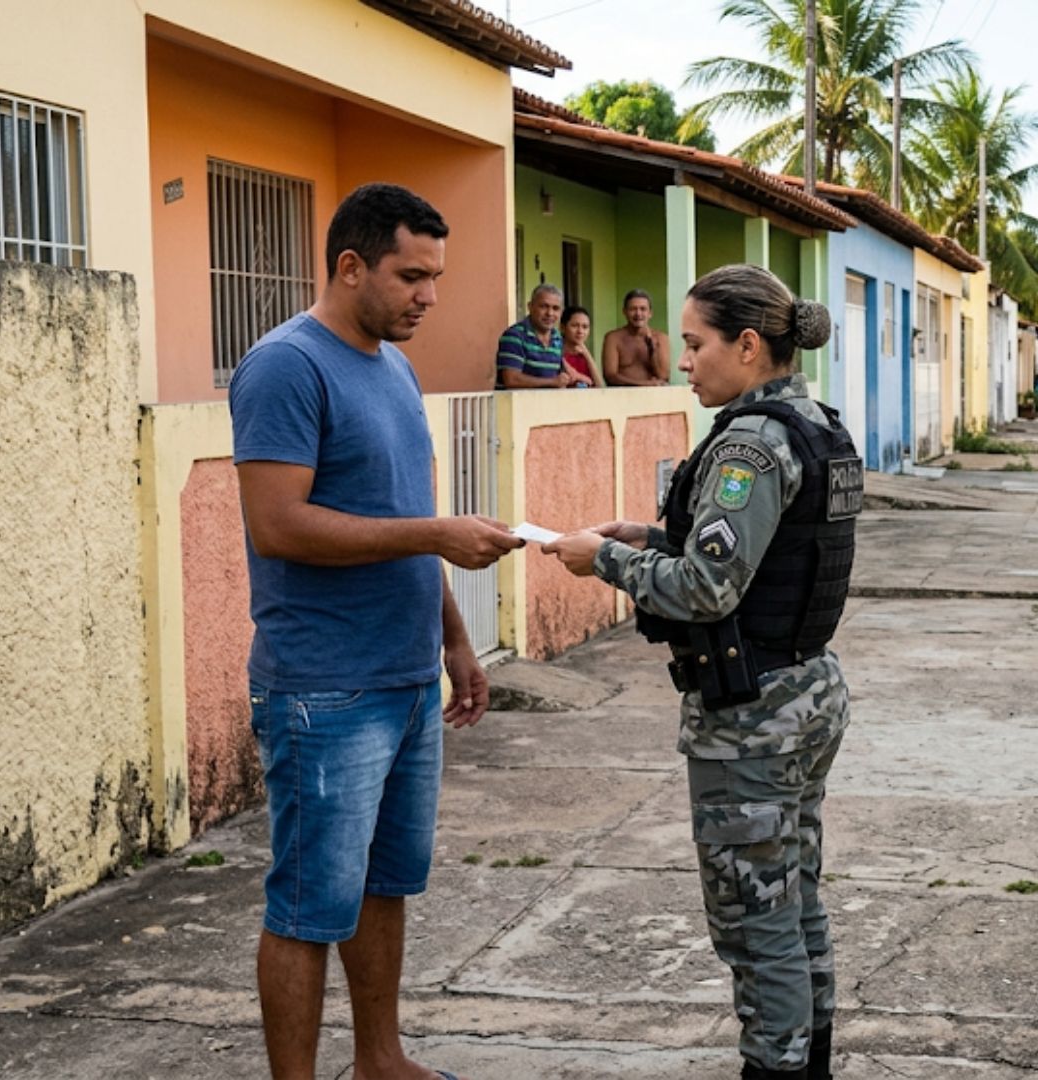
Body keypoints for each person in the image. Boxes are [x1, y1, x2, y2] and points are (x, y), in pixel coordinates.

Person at [228, 182, 524, 1080]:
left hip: (403, 678)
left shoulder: (393, 365)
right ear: (350, 265)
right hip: (323, 688)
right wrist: (438, 535)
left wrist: (453, 641)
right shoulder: (286, 366)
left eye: (435, 276)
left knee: (386, 884)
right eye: (411, 275)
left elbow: (403, 509)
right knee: (309, 904)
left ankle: (380, 1059)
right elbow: (279, 523)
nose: (428, 296)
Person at [542, 264, 859, 1080]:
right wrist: (649, 536)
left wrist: (603, 559)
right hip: (802, 693)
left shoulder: (751, 444)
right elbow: (759, 552)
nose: (683, 361)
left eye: (695, 344)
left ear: (748, 346)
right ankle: (808, 1060)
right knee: (792, 900)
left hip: (755, 717)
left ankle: (776, 1066)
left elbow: (708, 586)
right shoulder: (812, 424)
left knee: (757, 924)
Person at [498, 284, 589, 388]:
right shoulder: (515, 336)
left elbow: (559, 377)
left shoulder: (557, 338)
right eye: (544, 306)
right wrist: (552, 382)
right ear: (530, 307)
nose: (550, 313)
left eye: (555, 308)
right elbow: (511, 380)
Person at [601, 288, 672, 386]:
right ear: (624, 312)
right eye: (633, 309)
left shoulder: (661, 338)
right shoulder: (613, 338)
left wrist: (652, 351)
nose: (638, 314)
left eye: (643, 309)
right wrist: (644, 384)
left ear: (650, 313)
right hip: (622, 397)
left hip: (653, 397)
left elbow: (664, 377)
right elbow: (610, 376)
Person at [560, 304, 602, 387]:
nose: (580, 331)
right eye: (575, 326)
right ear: (563, 327)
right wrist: (584, 378)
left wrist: (587, 354)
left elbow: (600, 386)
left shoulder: (584, 355)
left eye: (585, 327)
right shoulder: (556, 351)